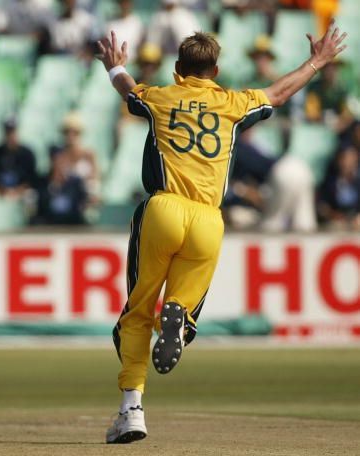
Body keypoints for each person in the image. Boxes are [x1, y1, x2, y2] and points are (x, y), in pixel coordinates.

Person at [97, 22, 347, 443]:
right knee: (183, 308)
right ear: (215, 71)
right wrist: (318, 61)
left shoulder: (160, 97)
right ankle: (178, 316)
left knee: (137, 312)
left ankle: (132, 410)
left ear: (178, 69)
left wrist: (113, 67)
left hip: (163, 209)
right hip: (209, 221)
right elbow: (279, 93)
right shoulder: (233, 103)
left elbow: (127, 88)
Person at [0, 117, 37, 195]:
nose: (10, 136)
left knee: (30, 195)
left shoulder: (27, 154)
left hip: (21, 192)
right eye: (8, 133)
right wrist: (4, 191)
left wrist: (17, 191)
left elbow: (31, 180)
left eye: (13, 132)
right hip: (0, 192)